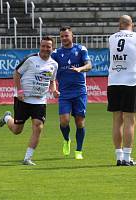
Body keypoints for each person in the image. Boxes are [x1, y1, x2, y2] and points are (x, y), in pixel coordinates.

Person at [0, 36, 58, 166]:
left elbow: (52, 80)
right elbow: (16, 73)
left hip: (40, 101)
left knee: (38, 126)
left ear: (53, 48)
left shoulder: (54, 64)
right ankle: (8, 118)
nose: (45, 49)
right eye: (43, 46)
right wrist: (19, 91)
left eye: (48, 46)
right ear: (40, 46)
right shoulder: (30, 59)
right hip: (23, 99)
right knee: (17, 130)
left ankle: (27, 158)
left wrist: (54, 90)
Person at [107, 15, 136, 166]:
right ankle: (127, 157)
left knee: (117, 120)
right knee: (130, 120)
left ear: (119, 25)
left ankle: (118, 157)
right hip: (131, 82)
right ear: (132, 24)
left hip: (113, 81)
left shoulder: (112, 38)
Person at [51, 26, 92, 160]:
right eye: (62, 36)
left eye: (66, 36)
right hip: (64, 93)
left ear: (72, 36)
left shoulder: (80, 49)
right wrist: (53, 88)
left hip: (80, 92)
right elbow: (50, 73)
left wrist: (80, 69)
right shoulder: (56, 53)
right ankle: (66, 139)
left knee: (79, 122)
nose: (64, 38)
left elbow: (89, 65)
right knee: (64, 121)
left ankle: (79, 150)